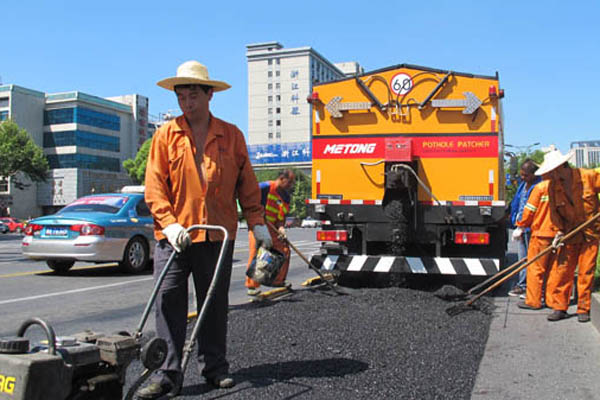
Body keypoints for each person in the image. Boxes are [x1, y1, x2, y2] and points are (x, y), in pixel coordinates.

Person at [139, 60, 273, 399]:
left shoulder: (231, 135)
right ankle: (168, 375)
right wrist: (169, 225)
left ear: (209, 95)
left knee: (213, 303)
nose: (187, 101)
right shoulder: (165, 136)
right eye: (181, 95)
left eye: (193, 94)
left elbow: (247, 184)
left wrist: (257, 223)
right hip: (175, 238)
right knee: (169, 300)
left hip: (216, 235)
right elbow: (154, 187)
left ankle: (215, 368)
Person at [533, 149, 600, 322]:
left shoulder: (589, 176)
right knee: (562, 271)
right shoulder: (553, 188)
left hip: (591, 233)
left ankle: (583, 309)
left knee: (586, 271)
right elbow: (555, 213)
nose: (551, 175)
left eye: (553, 171)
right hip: (570, 233)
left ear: (562, 167)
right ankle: (559, 307)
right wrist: (559, 232)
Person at [245, 169, 296, 296]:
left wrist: (281, 228)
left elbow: (281, 217)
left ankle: (277, 281)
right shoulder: (265, 188)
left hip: (273, 227)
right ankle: (252, 287)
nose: (290, 186)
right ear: (282, 179)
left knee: (284, 250)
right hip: (259, 225)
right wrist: (257, 215)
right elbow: (247, 200)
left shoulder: (285, 197)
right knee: (256, 253)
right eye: (289, 183)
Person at [515, 178, 559, 311]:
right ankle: (551, 301)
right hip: (558, 233)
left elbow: (529, 211)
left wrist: (521, 226)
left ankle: (534, 301)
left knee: (535, 268)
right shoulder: (563, 186)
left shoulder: (540, 188)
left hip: (541, 234)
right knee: (553, 269)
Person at [508, 159, 541, 297]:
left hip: (532, 229)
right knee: (522, 258)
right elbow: (517, 202)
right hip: (521, 226)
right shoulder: (523, 185)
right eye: (522, 174)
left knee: (532, 260)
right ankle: (522, 285)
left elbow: (533, 210)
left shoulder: (539, 186)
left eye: (525, 175)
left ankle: (531, 288)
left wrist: (523, 226)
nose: (522, 177)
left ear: (534, 174)